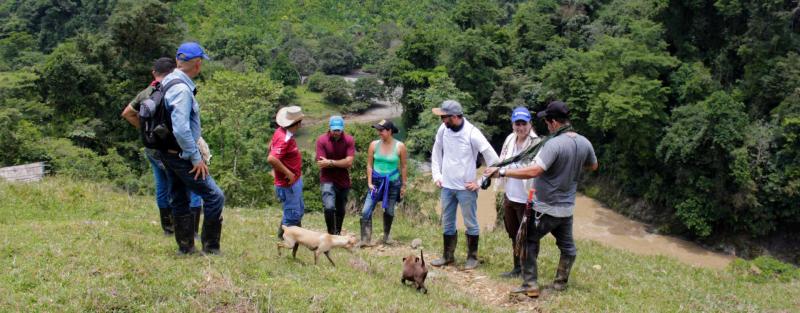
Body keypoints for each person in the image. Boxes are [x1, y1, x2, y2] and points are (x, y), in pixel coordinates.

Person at [485, 100, 598, 296]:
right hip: (567, 208)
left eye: (547, 122)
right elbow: (593, 166)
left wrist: (503, 172)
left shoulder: (553, 145)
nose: (547, 126)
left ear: (553, 122)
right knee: (568, 247)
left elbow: (535, 171)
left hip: (544, 207)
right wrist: (570, 167)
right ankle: (560, 283)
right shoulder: (584, 142)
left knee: (527, 241)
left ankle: (530, 285)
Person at [154, 42, 225, 255]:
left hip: (168, 152)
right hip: (182, 155)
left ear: (177, 61)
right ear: (197, 63)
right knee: (215, 196)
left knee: (178, 197)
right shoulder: (181, 89)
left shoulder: (167, 81)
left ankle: (185, 248)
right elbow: (182, 129)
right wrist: (195, 158)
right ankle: (211, 248)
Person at [121, 57, 204, 237]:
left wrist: (147, 131)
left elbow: (127, 113)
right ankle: (192, 229)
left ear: (154, 73)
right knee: (190, 184)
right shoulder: (174, 90)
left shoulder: (146, 93)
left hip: (153, 149)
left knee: (162, 185)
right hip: (174, 147)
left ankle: (169, 229)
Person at [430, 100, 499, 270]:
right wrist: (436, 175)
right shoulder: (443, 130)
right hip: (446, 186)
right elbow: (436, 151)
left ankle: (472, 257)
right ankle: (447, 256)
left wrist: (480, 181)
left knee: (470, 222)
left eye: (444, 117)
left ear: (454, 117)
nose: (442, 121)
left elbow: (494, 160)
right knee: (447, 222)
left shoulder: (472, 133)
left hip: (466, 188)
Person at [494, 107, 540, 278]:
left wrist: (504, 172)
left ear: (530, 124)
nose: (520, 127)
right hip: (510, 195)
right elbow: (502, 161)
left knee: (527, 237)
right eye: (517, 123)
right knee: (513, 233)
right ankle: (517, 268)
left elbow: (532, 170)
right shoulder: (509, 139)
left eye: (523, 123)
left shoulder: (536, 144)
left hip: (527, 198)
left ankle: (528, 271)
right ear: (512, 124)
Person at [360, 119, 407, 246]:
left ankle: (386, 236)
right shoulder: (374, 145)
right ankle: (365, 239)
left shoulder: (400, 146)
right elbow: (369, 165)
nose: (379, 132)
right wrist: (369, 182)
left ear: (390, 131)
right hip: (375, 182)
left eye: (381, 130)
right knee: (366, 210)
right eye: (378, 130)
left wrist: (404, 185)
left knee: (390, 211)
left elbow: (403, 166)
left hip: (393, 183)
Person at [267, 106, 305, 239]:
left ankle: (296, 237)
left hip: (294, 181)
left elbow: (270, 148)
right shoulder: (285, 139)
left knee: (298, 211)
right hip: (288, 184)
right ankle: (284, 242)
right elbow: (272, 158)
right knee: (292, 215)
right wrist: (288, 173)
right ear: (298, 123)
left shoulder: (280, 131)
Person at [315, 116, 355, 235]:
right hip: (327, 179)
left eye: (339, 130)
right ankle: (331, 233)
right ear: (329, 128)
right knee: (329, 207)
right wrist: (340, 163)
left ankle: (337, 233)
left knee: (340, 208)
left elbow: (349, 163)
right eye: (334, 130)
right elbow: (322, 163)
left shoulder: (349, 140)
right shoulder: (321, 140)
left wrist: (331, 162)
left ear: (342, 128)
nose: (336, 132)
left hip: (343, 180)